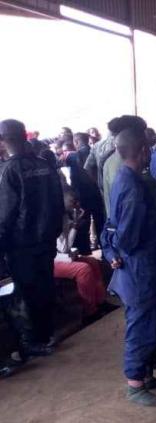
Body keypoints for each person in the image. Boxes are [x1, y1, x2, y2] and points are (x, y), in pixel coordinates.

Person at [100, 128, 156, 406]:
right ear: (143, 151)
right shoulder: (131, 185)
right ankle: (135, 384)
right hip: (139, 268)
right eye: (149, 149)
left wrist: (111, 245)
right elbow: (127, 236)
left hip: (148, 265)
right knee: (140, 327)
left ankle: (148, 372)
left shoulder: (131, 179)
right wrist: (114, 248)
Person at [0, 119, 64, 355]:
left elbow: (5, 215)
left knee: (26, 292)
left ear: (4, 139)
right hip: (46, 241)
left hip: (21, 245)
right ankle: (47, 335)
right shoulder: (44, 165)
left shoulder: (8, 171)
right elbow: (58, 203)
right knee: (45, 286)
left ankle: (34, 341)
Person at [53, 188, 106, 319]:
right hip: (53, 260)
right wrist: (75, 226)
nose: (77, 204)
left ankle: (100, 301)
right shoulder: (55, 219)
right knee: (83, 270)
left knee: (93, 262)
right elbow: (64, 247)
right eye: (73, 201)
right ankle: (90, 310)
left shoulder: (66, 216)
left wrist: (75, 221)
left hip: (64, 256)